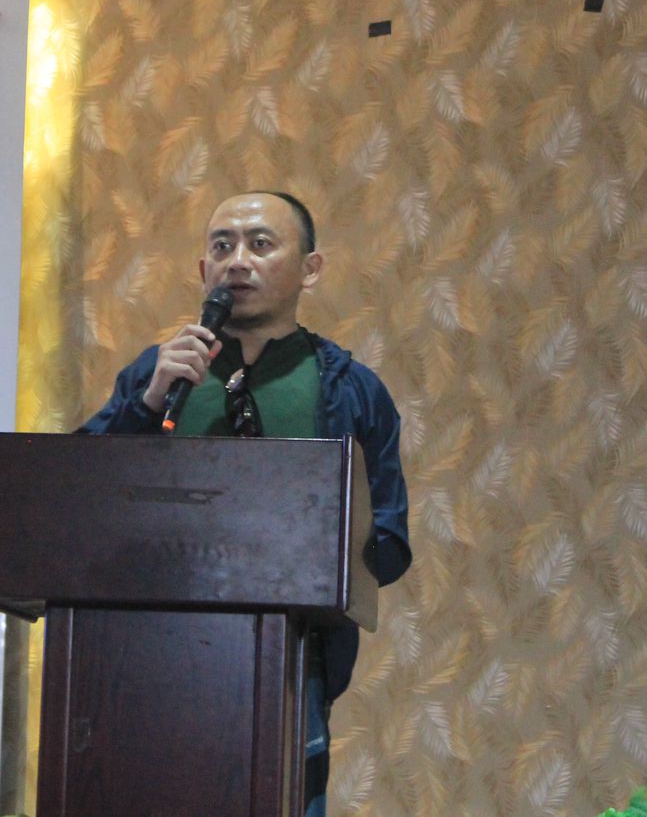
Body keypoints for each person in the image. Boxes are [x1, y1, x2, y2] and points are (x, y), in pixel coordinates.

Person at [76, 190, 412, 817]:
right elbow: (75, 497)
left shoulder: (351, 391)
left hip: (292, 667)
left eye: (260, 244)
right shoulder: (158, 374)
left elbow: (388, 541)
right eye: (222, 246)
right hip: (145, 668)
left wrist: (312, 560)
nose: (237, 261)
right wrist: (145, 406)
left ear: (310, 268)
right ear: (202, 269)